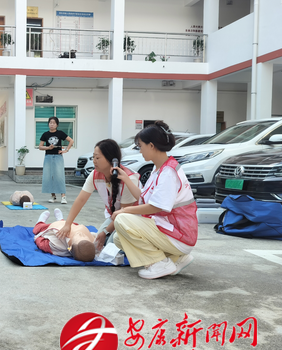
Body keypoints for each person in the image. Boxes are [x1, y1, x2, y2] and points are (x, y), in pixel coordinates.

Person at [111, 120, 198, 280]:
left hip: (178, 235)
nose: (140, 150)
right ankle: (175, 258)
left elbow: (156, 207)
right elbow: (145, 199)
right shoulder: (159, 168)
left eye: (140, 146)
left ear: (151, 146)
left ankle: (159, 263)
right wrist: (127, 180)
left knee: (122, 220)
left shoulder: (168, 173)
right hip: (171, 230)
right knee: (119, 238)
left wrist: (124, 210)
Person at [57, 139, 140, 251]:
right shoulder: (95, 174)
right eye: (93, 157)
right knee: (97, 245)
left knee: (111, 247)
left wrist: (105, 232)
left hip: (131, 219)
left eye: (97, 158)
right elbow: (80, 200)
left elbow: (123, 214)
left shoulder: (128, 178)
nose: (94, 161)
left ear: (111, 159)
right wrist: (67, 224)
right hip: (114, 217)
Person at [39, 116, 73, 204]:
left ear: (57, 124)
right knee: (49, 176)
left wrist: (66, 150)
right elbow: (40, 147)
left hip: (58, 157)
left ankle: (63, 196)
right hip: (48, 157)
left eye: (54, 123)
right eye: (50, 123)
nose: (52, 124)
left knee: (59, 176)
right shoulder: (45, 134)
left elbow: (71, 141)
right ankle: (53, 196)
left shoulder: (60, 133)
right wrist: (48, 147)